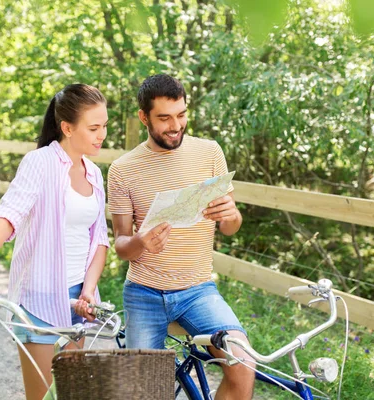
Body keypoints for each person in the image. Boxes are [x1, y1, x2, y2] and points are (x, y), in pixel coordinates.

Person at [0, 84, 110, 400]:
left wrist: (89, 290)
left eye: (104, 126)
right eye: (93, 127)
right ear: (67, 127)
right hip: (39, 297)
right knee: (43, 397)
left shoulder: (93, 173)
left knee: (70, 394)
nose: (102, 134)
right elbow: (7, 216)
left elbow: (99, 241)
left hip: (78, 299)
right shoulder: (40, 163)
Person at [108, 74, 255, 399]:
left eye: (181, 115)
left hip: (199, 291)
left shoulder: (210, 153)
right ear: (144, 117)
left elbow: (231, 227)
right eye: (164, 118)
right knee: (145, 392)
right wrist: (140, 241)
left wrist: (232, 215)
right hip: (144, 293)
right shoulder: (123, 169)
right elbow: (120, 245)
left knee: (243, 364)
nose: (175, 125)